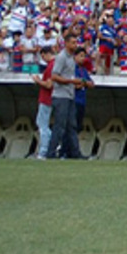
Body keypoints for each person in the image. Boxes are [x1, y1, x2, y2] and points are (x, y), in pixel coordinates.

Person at [48, 30, 85, 160]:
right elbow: (54, 76)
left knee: (71, 126)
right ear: (66, 43)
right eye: (73, 43)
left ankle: (75, 153)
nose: (76, 45)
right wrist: (71, 81)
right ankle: (51, 152)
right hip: (60, 96)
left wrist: (75, 84)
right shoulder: (61, 57)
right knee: (59, 125)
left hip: (69, 95)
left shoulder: (71, 59)